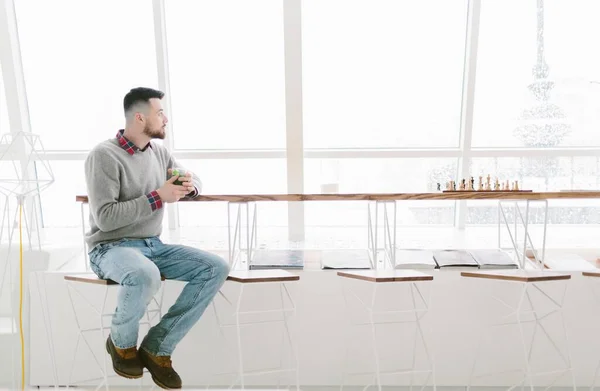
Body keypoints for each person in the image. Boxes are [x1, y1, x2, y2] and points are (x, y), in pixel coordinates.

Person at [84, 87, 230, 389]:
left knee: (215, 267)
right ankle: (121, 344)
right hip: (110, 248)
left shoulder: (159, 152)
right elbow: (106, 218)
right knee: (144, 274)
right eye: (160, 113)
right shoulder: (104, 155)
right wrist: (157, 197)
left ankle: (157, 346)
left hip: (152, 245)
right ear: (140, 117)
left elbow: (192, 177)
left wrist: (189, 186)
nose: (166, 119)